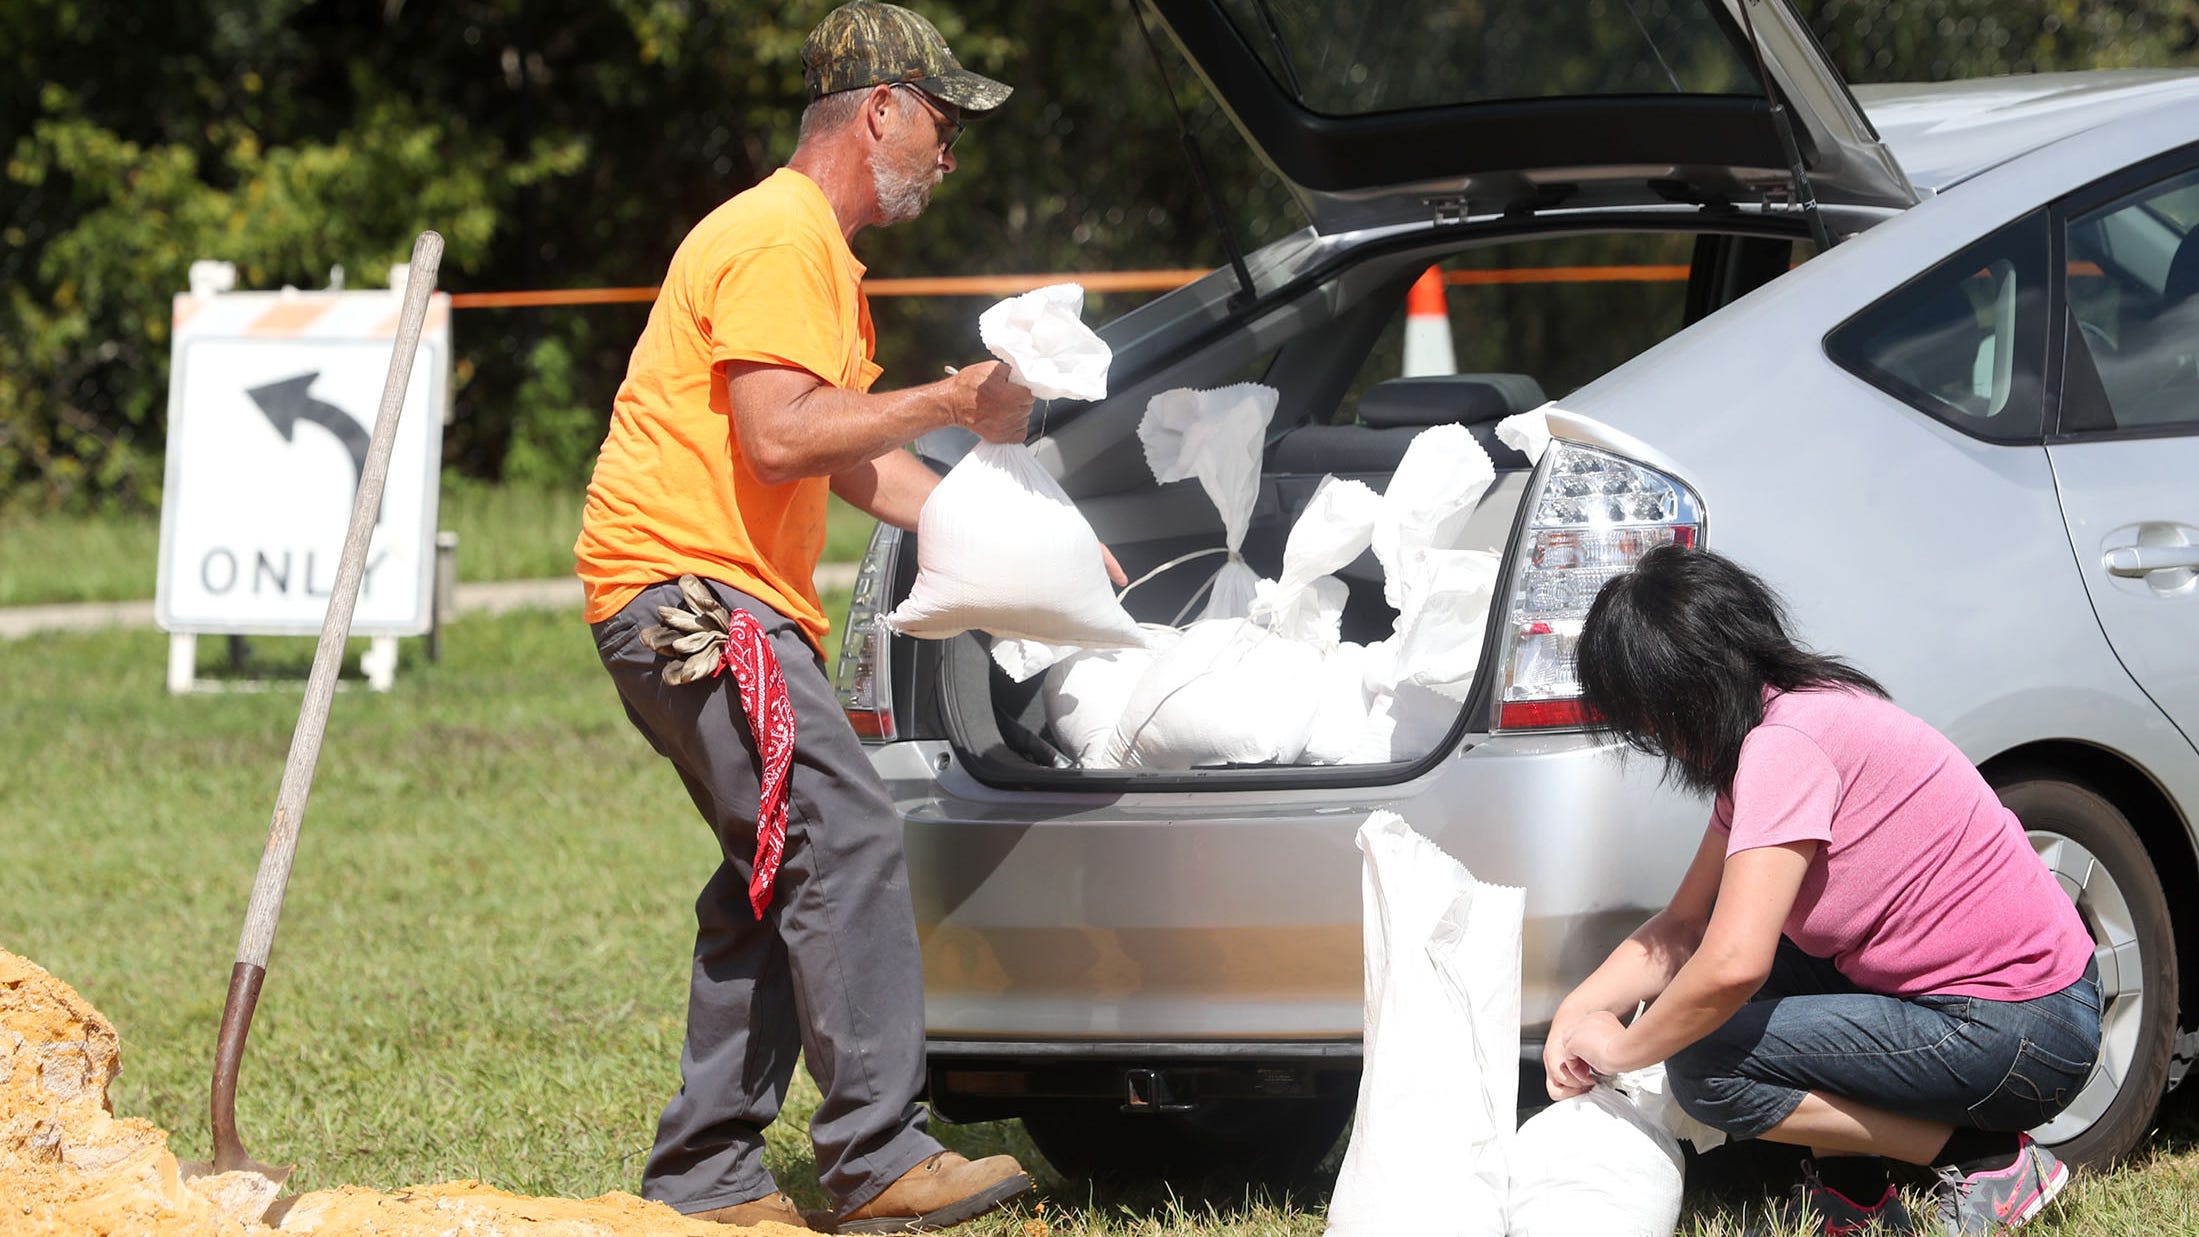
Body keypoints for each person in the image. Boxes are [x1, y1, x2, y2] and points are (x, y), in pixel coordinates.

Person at [574, 3, 1112, 1230]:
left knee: (774, 864)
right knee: (849, 828)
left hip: (681, 593)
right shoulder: (779, 236)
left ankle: (707, 1177)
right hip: (693, 596)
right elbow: (777, 437)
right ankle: (877, 1157)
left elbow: (845, 459)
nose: (949, 152)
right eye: (941, 121)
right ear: (880, 109)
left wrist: (1032, 548)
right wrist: (953, 397)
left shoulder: (812, 253)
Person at [1544, 545, 2102, 1236]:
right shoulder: (1795, 718)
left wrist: (1624, 1050)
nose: (1655, 737)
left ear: (1686, 687)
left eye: (1649, 717)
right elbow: (1685, 925)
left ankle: (1985, 1160)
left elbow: (1729, 963)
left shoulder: (1784, 748)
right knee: (1754, 971)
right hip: (2032, 1007)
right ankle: (1856, 1197)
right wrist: (1574, 1015)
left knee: (1704, 1061)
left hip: (2023, 1028)